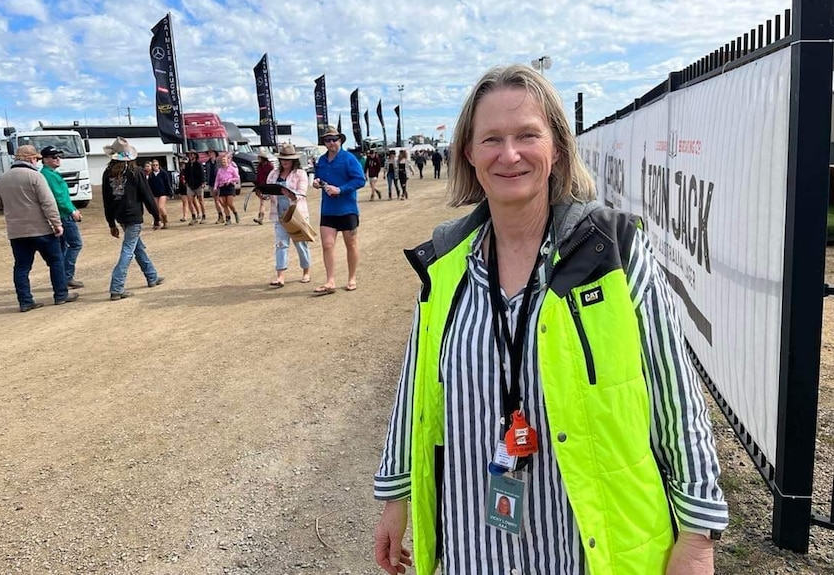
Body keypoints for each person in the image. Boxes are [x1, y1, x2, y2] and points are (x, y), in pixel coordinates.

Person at [373, 65, 728, 575]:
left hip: (584, 553)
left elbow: (676, 397)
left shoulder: (613, 254)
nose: (509, 154)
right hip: (473, 550)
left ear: (556, 147)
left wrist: (697, 538)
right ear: (469, 155)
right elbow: (415, 391)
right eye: (491, 138)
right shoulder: (446, 268)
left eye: (527, 136)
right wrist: (395, 495)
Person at [0, 145, 78, 311]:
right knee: (55, 261)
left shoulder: (2, 178)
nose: (37, 162)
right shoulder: (35, 176)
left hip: (16, 231)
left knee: (22, 267)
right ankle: (61, 294)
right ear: (31, 159)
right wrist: (57, 224)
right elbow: (48, 202)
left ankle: (25, 301)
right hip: (41, 229)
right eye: (36, 159)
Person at [101, 137, 165, 301]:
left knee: (137, 246)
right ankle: (116, 287)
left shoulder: (107, 174)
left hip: (120, 215)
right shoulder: (135, 172)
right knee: (128, 249)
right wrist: (157, 217)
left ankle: (152, 276)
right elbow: (147, 196)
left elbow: (107, 200)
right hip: (133, 216)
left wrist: (111, 223)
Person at [311, 126, 365, 294]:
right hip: (328, 210)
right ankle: (330, 281)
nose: (331, 143)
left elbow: (360, 180)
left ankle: (352, 278)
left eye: (334, 139)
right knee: (327, 245)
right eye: (328, 140)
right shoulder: (321, 160)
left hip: (347, 209)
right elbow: (320, 178)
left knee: (351, 244)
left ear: (340, 140)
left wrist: (340, 189)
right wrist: (317, 182)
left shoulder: (349, 159)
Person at [266, 143, 311, 287]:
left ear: (294, 160)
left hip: (295, 214)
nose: (285, 161)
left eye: (288, 159)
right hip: (279, 214)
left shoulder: (300, 174)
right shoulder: (273, 174)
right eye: (283, 159)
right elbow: (268, 192)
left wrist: (289, 193)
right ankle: (280, 276)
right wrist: (263, 194)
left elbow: (302, 193)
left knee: (300, 243)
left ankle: (306, 271)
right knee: (281, 244)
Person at [40, 145, 84, 289]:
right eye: (54, 157)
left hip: (61, 214)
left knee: (63, 247)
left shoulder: (50, 173)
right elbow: (59, 198)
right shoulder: (49, 175)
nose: (58, 159)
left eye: (59, 156)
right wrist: (72, 211)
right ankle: (66, 276)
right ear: (45, 159)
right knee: (75, 244)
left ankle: (63, 277)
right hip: (63, 215)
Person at [214, 154, 240, 225]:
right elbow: (217, 180)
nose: (223, 162)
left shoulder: (232, 169)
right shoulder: (220, 170)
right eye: (222, 161)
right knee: (224, 204)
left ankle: (235, 213)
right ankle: (228, 219)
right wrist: (215, 187)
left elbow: (237, 178)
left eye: (224, 160)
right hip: (222, 187)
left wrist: (230, 180)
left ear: (228, 161)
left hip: (230, 187)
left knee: (229, 203)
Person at [147, 158, 172, 229]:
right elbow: (149, 185)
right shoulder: (151, 175)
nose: (155, 166)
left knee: (161, 207)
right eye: (154, 165)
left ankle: (165, 221)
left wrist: (169, 193)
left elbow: (167, 183)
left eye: (156, 165)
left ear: (159, 165)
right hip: (154, 193)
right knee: (156, 209)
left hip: (163, 193)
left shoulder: (163, 173)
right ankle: (158, 222)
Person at [253, 149, 275, 225]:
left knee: (274, 201)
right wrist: (257, 186)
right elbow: (258, 176)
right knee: (262, 202)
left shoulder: (270, 166)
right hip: (261, 186)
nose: (258, 158)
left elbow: (272, 176)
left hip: (269, 186)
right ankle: (260, 218)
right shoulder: (259, 166)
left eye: (259, 157)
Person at [184, 151, 207, 224]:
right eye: (189, 155)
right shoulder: (187, 165)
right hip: (190, 185)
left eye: (192, 154)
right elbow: (185, 174)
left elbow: (202, 174)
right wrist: (186, 182)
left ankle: (204, 216)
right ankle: (193, 216)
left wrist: (203, 182)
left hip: (198, 185)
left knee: (201, 201)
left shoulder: (198, 164)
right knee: (190, 201)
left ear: (195, 155)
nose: (190, 156)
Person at [205, 149, 224, 224]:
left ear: (215, 154)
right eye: (209, 153)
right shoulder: (207, 163)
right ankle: (220, 215)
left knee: (220, 200)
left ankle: (226, 213)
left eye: (211, 153)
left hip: (219, 184)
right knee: (216, 200)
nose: (210, 154)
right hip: (211, 183)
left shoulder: (219, 162)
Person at [176, 158, 194, 223]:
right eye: (182, 164)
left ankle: (196, 214)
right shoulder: (181, 172)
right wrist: (179, 190)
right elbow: (180, 182)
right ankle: (185, 216)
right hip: (183, 188)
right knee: (184, 202)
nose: (183, 165)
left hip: (189, 187)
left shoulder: (189, 171)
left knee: (192, 202)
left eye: (184, 164)